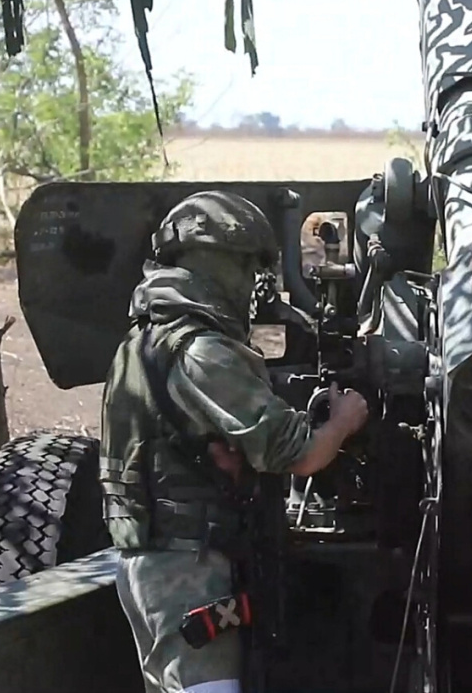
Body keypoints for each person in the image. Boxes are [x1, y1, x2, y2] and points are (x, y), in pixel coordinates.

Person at [99, 190, 369, 693]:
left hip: (149, 569)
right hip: (190, 572)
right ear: (218, 265)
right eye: (247, 268)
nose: (252, 286)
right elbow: (300, 454)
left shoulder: (136, 346)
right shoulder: (202, 352)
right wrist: (344, 421)